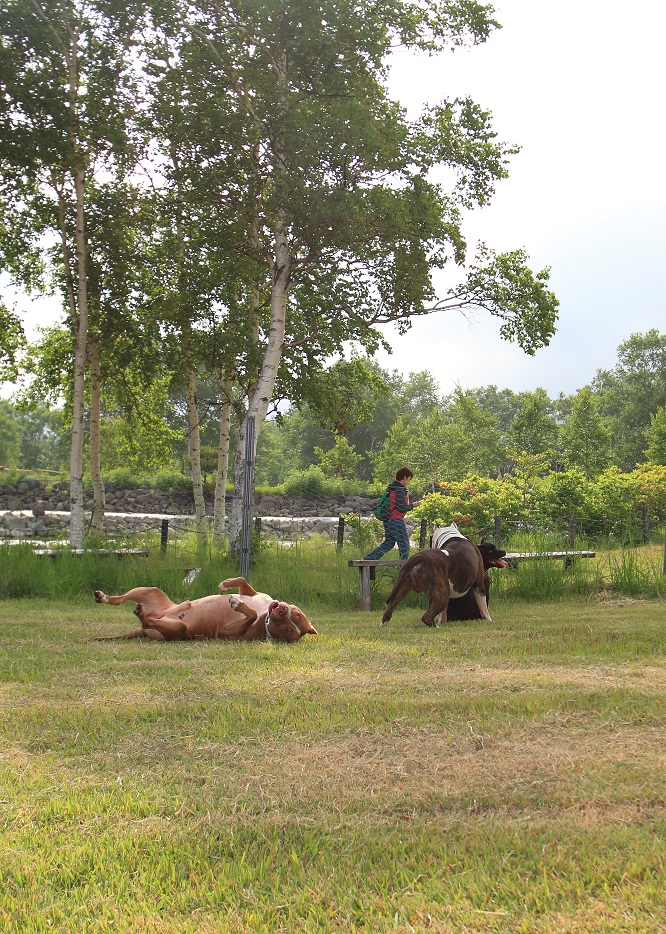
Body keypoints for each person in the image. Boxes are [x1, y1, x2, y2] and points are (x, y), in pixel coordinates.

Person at [364, 467, 421, 561]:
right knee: (404, 545)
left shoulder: (392, 488)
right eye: (409, 479)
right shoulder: (400, 489)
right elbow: (401, 507)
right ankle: (404, 566)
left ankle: (368, 560)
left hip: (388, 519)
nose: (408, 482)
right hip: (396, 520)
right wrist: (413, 505)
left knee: (389, 543)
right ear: (405, 477)